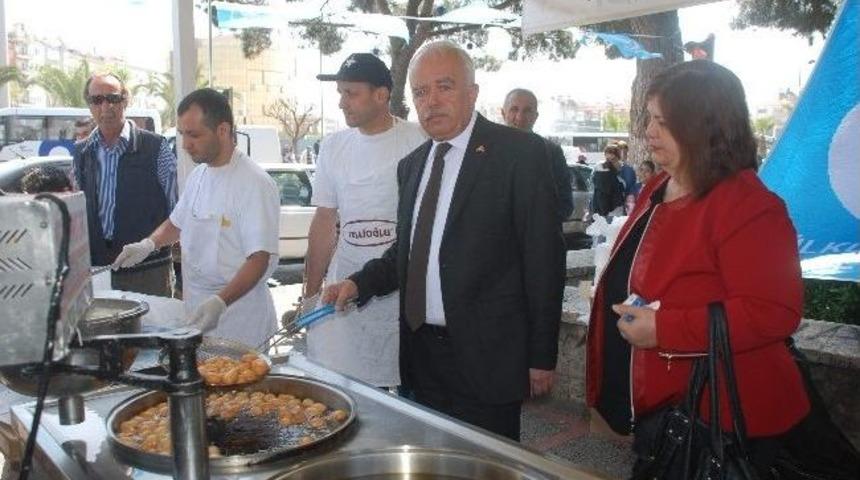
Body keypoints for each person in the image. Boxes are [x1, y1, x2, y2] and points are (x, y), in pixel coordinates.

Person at [322, 41, 565, 441]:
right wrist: (358, 283)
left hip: (487, 360)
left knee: (487, 469)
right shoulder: (413, 165)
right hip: (420, 358)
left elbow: (544, 260)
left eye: (445, 87)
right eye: (420, 92)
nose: (431, 101)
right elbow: (409, 251)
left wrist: (542, 356)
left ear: (472, 92)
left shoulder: (520, 154)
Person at [587, 60, 810, 478]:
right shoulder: (658, 185)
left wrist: (664, 330)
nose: (648, 133)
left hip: (724, 418)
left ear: (704, 126)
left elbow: (774, 311)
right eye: (649, 119)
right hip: (667, 414)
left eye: (663, 122)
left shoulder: (750, 206)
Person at [113, 88, 279, 347]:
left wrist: (221, 301)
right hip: (197, 313)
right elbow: (177, 223)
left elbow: (259, 259)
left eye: (194, 135)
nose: (185, 144)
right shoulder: (199, 176)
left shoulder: (254, 183)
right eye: (182, 134)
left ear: (223, 130)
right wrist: (148, 244)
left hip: (241, 320)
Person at [304, 53, 426, 387]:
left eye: (351, 93)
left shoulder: (419, 140)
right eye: (340, 93)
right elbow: (324, 224)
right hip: (342, 292)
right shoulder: (333, 147)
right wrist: (310, 294)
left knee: (402, 393)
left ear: (381, 95)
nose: (342, 103)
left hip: (398, 292)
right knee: (339, 392)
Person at [73, 73, 177, 297]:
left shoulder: (156, 148)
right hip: (100, 273)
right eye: (97, 100)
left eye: (112, 98)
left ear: (125, 101)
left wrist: (150, 245)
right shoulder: (82, 153)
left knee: (152, 331)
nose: (105, 106)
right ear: (89, 105)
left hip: (149, 273)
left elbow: (179, 213)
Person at [500, 88, 573, 222]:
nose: (520, 117)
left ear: (536, 116)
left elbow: (565, 205)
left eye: (527, 111)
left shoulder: (552, 152)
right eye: (514, 109)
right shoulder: (487, 150)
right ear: (503, 113)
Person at [590, 144, 625, 217]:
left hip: (613, 207)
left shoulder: (625, 169)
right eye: (608, 159)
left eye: (613, 159)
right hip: (609, 207)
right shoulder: (601, 169)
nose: (610, 162)